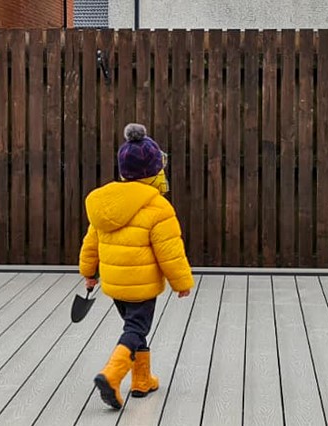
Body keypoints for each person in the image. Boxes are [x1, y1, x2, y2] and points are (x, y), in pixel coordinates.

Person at [79, 123, 194, 410]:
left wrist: (89, 274)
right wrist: (182, 282)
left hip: (116, 285)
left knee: (134, 328)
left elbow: (90, 243)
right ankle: (111, 375)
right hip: (142, 286)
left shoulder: (105, 203)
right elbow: (170, 252)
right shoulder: (157, 207)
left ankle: (142, 380)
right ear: (156, 172)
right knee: (136, 329)